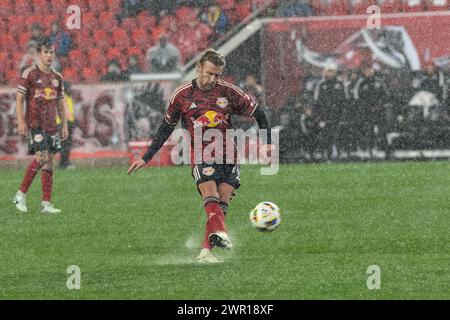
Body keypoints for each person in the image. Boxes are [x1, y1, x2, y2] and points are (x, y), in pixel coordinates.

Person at [128, 49, 273, 263]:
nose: (213, 79)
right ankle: (221, 234)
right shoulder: (182, 95)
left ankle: (206, 252)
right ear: (199, 68)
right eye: (209, 73)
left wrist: (268, 143)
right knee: (210, 194)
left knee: (222, 203)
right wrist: (146, 157)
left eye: (218, 75)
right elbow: (165, 128)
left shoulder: (228, 92)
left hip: (229, 155)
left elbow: (260, 114)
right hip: (202, 154)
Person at [13, 39, 68, 214]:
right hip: (35, 123)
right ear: (39, 54)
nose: (49, 56)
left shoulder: (57, 77)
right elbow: (20, 98)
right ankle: (20, 194)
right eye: (45, 52)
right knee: (42, 157)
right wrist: (21, 121)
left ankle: (46, 204)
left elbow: (60, 104)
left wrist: (64, 125)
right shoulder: (29, 73)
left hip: (51, 125)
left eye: (51, 52)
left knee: (49, 162)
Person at [57, 81, 76, 169]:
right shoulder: (63, 97)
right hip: (65, 122)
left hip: (64, 122)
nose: (70, 89)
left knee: (65, 144)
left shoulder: (64, 96)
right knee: (66, 144)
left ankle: (64, 162)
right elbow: (65, 110)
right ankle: (64, 163)